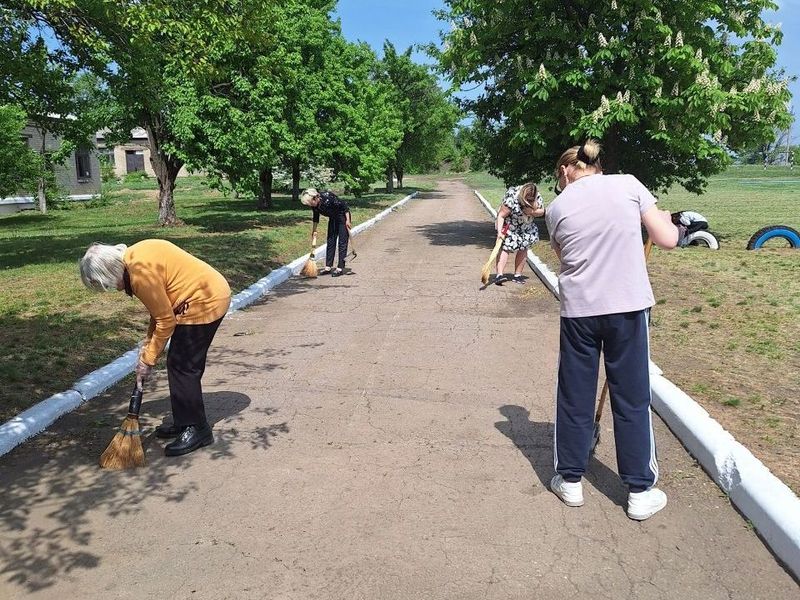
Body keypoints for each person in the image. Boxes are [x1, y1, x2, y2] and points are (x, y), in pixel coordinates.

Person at [545, 139, 679, 520]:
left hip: (580, 312)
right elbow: (668, 239)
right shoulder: (630, 185)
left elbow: (566, 259)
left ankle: (570, 482)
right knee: (632, 397)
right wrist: (662, 220)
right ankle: (639, 491)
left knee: (574, 395)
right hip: (627, 308)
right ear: (597, 165)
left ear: (566, 172)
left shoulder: (557, 208)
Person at [79, 240, 231, 457]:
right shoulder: (134, 258)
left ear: (110, 270)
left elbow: (165, 320)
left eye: (107, 284)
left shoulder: (140, 275)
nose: (113, 288)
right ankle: (184, 422)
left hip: (205, 299)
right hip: (199, 295)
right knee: (177, 363)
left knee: (183, 366)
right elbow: (159, 310)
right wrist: (148, 346)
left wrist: (148, 360)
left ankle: (197, 429)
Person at [494, 183, 545, 285]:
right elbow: (501, 215)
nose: (529, 201)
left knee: (523, 248)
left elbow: (543, 211)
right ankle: (499, 275)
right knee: (505, 248)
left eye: (531, 199)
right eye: (527, 200)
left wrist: (532, 212)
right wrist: (499, 232)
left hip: (526, 227)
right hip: (511, 226)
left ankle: (518, 275)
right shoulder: (512, 197)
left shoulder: (537, 196)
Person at [300, 188, 352, 277]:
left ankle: (340, 267)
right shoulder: (314, 205)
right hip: (332, 218)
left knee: (342, 242)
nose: (311, 205)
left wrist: (348, 220)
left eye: (310, 203)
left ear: (315, 198)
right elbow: (316, 217)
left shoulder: (328, 198)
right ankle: (328, 267)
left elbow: (344, 206)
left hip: (342, 217)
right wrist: (314, 230)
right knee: (331, 241)